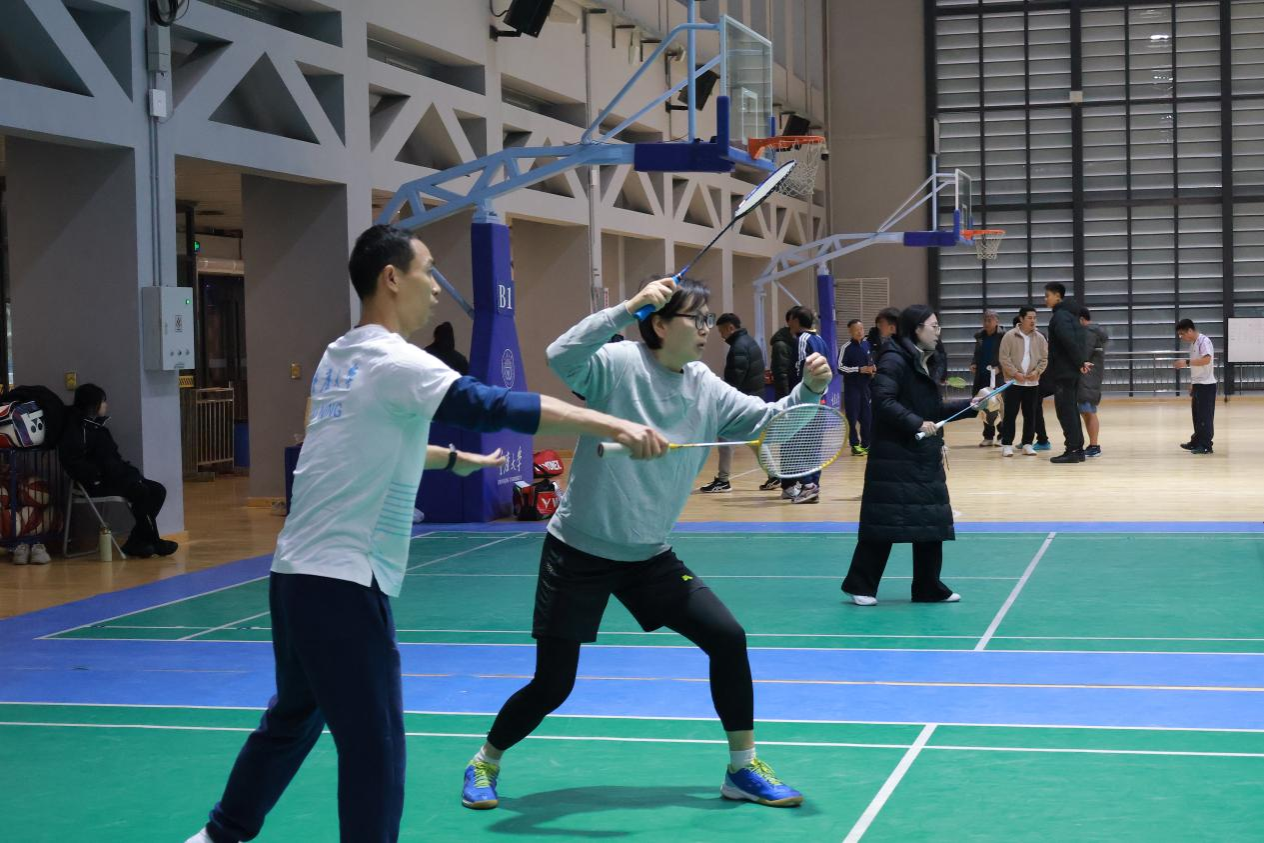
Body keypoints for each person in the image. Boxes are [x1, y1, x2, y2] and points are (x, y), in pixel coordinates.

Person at [185, 225, 664, 843]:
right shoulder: (397, 361)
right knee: (374, 744)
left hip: (294, 575)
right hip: (344, 581)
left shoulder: (339, 357)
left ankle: (219, 835)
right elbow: (497, 406)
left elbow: (362, 443)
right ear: (392, 278)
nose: (437, 287)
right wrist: (611, 423)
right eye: (428, 270)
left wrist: (451, 460)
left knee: (294, 718)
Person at [461, 276, 832, 812]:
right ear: (658, 324)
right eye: (696, 319)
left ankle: (742, 767)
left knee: (727, 638)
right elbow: (560, 355)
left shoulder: (704, 385)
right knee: (554, 683)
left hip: (648, 555)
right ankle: (485, 760)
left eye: (708, 319)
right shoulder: (617, 366)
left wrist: (809, 392)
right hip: (579, 551)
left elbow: (771, 426)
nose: (706, 329)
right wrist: (626, 307)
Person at [841, 305, 985, 607]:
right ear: (916, 329)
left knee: (931, 521)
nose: (938, 331)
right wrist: (916, 423)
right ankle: (861, 585)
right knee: (884, 521)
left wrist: (972, 406)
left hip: (923, 453)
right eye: (933, 326)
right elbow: (882, 400)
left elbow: (932, 409)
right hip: (894, 454)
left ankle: (928, 586)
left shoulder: (927, 361)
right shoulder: (894, 359)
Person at [59, 383, 178, 558]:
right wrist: (96, 475)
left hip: (117, 476)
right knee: (141, 492)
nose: (106, 405)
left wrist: (131, 474)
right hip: (97, 482)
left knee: (158, 490)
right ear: (93, 404)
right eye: (103, 401)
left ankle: (136, 542)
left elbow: (114, 459)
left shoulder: (99, 428)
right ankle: (154, 540)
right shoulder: (75, 430)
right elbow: (73, 461)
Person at [700, 313, 767, 492]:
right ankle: (774, 475)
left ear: (730, 327)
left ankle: (723, 480)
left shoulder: (738, 347)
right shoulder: (750, 342)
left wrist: (725, 399)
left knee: (725, 438)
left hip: (740, 403)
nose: (721, 335)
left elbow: (734, 380)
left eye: (721, 331)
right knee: (754, 439)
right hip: (752, 398)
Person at [784, 305, 832, 504]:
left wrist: (796, 398)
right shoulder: (821, 340)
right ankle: (812, 486)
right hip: (820, 400)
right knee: (812, 445)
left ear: (796, 320)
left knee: (800, 444)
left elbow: (799, 370)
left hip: (806, 402)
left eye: (791, 320)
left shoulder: (802, 340)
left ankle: (808, 485)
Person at [1043, 282, 1091, 464]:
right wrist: (1080, 361)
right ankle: (1077, 449)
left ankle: (1072, 449)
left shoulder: (1060, 317)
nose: (1045, 299)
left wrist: (1079, 362)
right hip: (1071, 371)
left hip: (1064, 372)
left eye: (1047, 295)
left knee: (1065, 411)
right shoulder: (1072, 315)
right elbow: (1078, 341)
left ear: (1057, 296)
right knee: (1071, 409)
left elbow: (1068, 340)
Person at [997, 306, 1048, 457]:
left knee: (1030, 414)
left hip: (1032, 383)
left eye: (1035, 318)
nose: (1033, 321)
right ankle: (1007, 444)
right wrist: (1015, 373)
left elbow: (1044, 359)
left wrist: (1037, 372)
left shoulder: (1040, 337)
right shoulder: (1009, 336)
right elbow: (1003, 358)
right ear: (1021, 319)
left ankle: (1027, 444)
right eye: (1029, 318)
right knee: (1010, 414)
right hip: (1013, 382)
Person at [763, 310, 798, 492]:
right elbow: (781, 376)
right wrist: (786, 404)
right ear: (790, 321)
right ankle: (788, 485)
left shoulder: (799, 341)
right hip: (787, 403)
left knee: (797, 443)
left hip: (797, 399)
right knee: (788, 442)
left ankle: (793, 481)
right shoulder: (781, 345)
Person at [1175, 318, 1216, 455]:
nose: (1181, 337)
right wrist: (1193, 383)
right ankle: (1196, 442)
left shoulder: (1204, 341)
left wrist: (1186, 362)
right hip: (1198, 384)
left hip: (1206, 385)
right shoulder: (1193, 344)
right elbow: (1196, 366)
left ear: (1190, 330)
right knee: (1197, 417)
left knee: (1205, 417)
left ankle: (1206, 445)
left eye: (1182, 334)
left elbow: (1207, 359)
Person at [838, 319, 875, 456]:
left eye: (861, 329)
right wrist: (858, 369)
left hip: (866, 387)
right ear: (850, 331)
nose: (860, 332)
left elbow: (870, 361)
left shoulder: (867, 344)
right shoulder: (845, 348)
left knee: (867, 417)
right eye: (856, 330)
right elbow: (840, 367)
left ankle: (866, 444)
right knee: (852, 418)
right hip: (852, 388)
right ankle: (854, 445)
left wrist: (873, 368)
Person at [969, 310, 1004, 446]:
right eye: (985, 320)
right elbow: (977, 353)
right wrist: (974, 363)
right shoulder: (980, 336)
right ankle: (988, 436)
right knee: (984, 406)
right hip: (982, 376)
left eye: (990, 320)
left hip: (997, 377)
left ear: (997, 321)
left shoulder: (1003, 336)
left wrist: (1000, 368)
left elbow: (1008, 355)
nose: (987, 323)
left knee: (998, 407)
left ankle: (1003, 436)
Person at [1078, 308, 1109, 458]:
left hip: (1087, 378)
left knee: (1088, 411)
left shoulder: (1089, 332)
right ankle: (1093, 445)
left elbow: (1083, 355)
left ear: (1081, 319)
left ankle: (1094, 445)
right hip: (1092, 377)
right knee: (1088, 411)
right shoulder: (1096, 332)